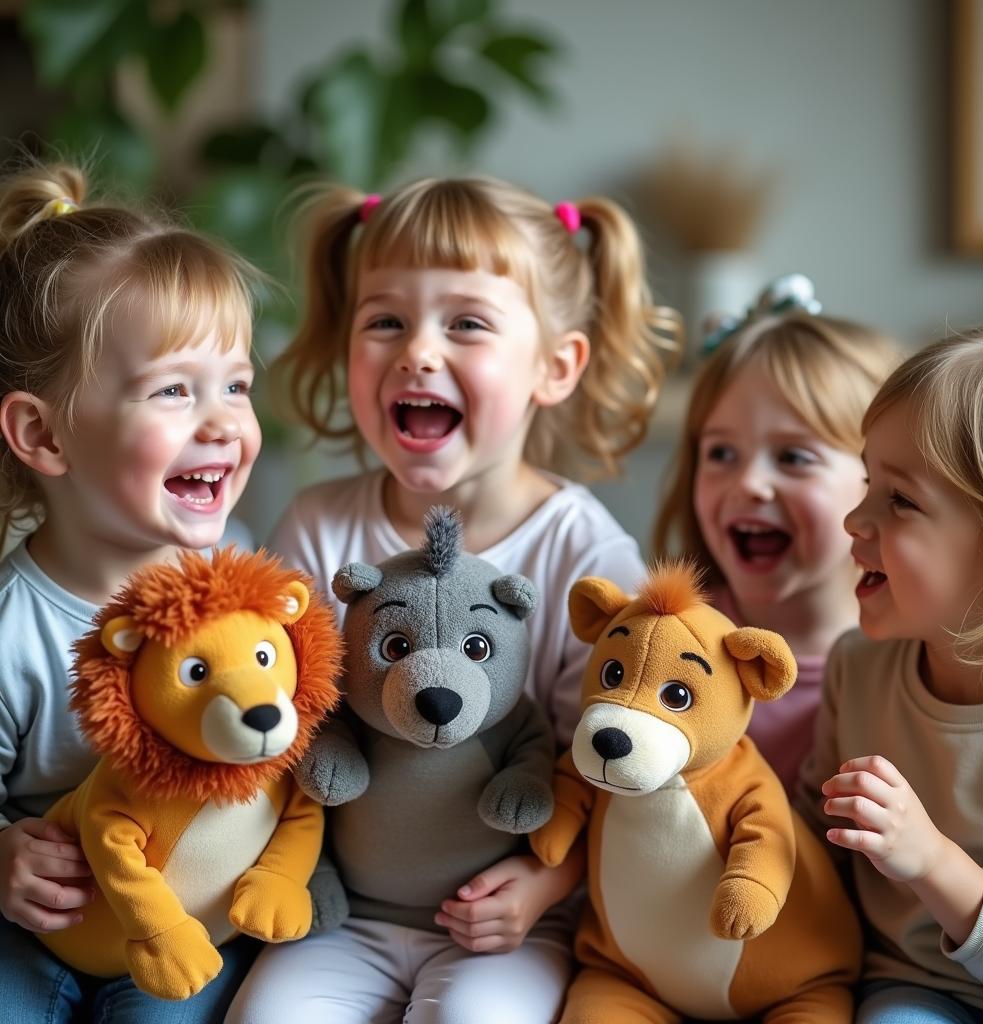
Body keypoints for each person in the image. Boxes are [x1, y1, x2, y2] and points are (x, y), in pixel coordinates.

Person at [227, 176, 681, 1023]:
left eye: (466, 323)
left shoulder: (584, 553)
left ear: (556, 366)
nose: (417, 352)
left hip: (512, 921)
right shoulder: (317, 526)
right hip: (341, 911)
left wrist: (547, 883)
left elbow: (616, 772)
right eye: (385, 320)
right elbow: (278, 722)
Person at [0, 163, 263, 1024]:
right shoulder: (14, 626)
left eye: (236, 384)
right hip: (46, 925)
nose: (223, 421)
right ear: (43, 433)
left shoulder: (244, 585)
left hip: (188, 926)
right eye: (175, 390)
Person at [797, 330, 983, 1021]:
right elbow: (811, 844)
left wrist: (928, 858)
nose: (853, 519)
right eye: (869, 482)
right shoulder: (856, 668)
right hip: (912, 989)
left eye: (900, 501)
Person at [652, 274, 896, 792]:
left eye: (793, 457)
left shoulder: (911, 671)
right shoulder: (670, 639)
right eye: (720, 453)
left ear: (880, 480)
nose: (750, 483)